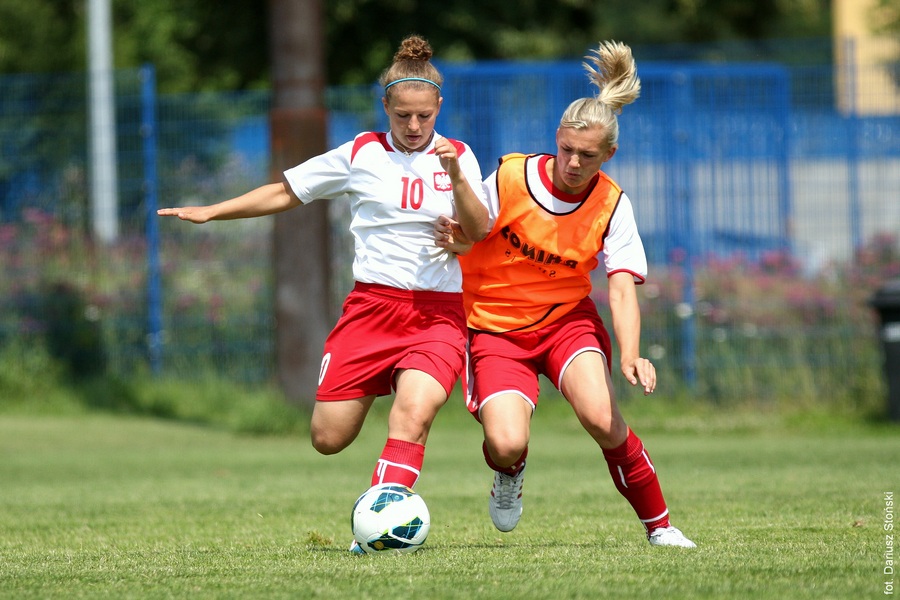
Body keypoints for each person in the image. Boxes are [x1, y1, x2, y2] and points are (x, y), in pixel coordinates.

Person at [158, 35, 489, 552]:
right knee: (328, 439)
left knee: (414, 414)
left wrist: (455, 180)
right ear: (387, 107)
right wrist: (211, 211)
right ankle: (384, 451)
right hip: (371, 311)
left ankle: (379, 530)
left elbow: (480, 228)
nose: (414, 126)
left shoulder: (460, 157)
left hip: (437, 313)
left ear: (438, 107)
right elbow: (285, 191)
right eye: (403, 115)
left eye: (424, 115)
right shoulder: (361, 152)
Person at [435, 40, 695, 548]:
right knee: (506, 443)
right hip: (494, 327)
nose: (574, 162)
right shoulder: (511, 176)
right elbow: (473, 226)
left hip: (564, 323)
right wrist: (460, 239)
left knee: (603, 418)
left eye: (588, 155)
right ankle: (510, 472)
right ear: (557, 138)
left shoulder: (613, 205)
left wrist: (632, 354)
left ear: (609, 154)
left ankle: (661, 528)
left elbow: (620, 289)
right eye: (567, 149)